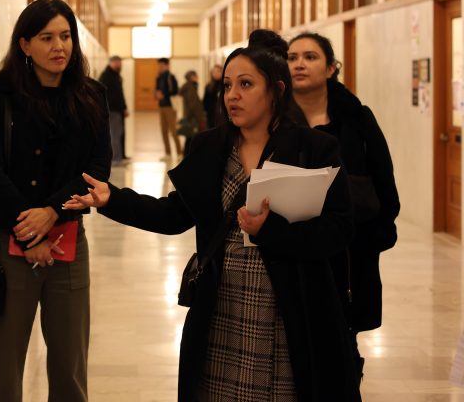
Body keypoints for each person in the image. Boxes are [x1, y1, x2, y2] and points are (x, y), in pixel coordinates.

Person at [65, 30, 358, 401]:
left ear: (277, 90)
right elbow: (173, 214)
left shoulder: (313, 149)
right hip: (223, 308)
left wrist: (273, 230)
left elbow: (339, 229)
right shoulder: (211, 147)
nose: (232, 95)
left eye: (246, 84)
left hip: (289, 311)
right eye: (228, 85)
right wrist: (112, 199)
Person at [0, 0, 112, 402]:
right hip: (9, 243)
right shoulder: (0, 96)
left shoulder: (91, 95)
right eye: (47, 37)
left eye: (66, 36)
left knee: (70, 365)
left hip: (69, 240)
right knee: (3, 366)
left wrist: (52, 211)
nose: (60, 46)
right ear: (24, 45)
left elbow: (97, 167)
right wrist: (28, 231)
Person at [287, 32, 400, 387]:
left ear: (331, 67)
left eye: (310, 56)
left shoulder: (357, 118)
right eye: (291, 57)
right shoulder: (276, 121)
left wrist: (379, 229)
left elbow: (384, 176)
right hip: (291, 242)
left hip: (350, 246)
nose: (299, 64)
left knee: (342, 332)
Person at [99, 55, 129, 165]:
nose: (120, 65)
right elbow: (106, 95)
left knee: (119, 133)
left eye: (120, 62)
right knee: (115, 134)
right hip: (112, 110)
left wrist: (124, 108)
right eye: (118, 62)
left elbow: (120, 94)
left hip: (118, 109)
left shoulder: (115, 75)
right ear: (112, 62)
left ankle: (121, 156)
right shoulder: (106, 76)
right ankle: (116, 159)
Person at [156, 57, 182, 158]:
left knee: (173, 130)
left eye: (161, 65)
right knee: (163, 130)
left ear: (167, 65)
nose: (159, 67)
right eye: (159, 65)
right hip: (161, 106)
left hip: (170, 107)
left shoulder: (171, 77)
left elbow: (175, 91)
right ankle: (168, 153)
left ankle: (179, 152)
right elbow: (157, 90)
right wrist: (157, 94)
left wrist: (163, 94)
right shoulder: (158, 77)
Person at [179, 70, 207, 155]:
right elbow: (193, 104)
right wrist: (199, 117)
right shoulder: (190, 87)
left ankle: (187, 155)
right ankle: (188, 155)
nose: (198, 78)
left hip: (190, 116)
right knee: (191, 137)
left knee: (190, 137)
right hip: (192, 117)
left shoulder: (190, 86)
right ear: (192, 77)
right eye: (196, 76)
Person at [203, 63, 223, 128]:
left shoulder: (225, 85)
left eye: (218, 71)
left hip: (223, 113)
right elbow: (205, 101)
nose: (215, 73)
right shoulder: (208, 86)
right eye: (214, 72)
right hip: (211, 114)